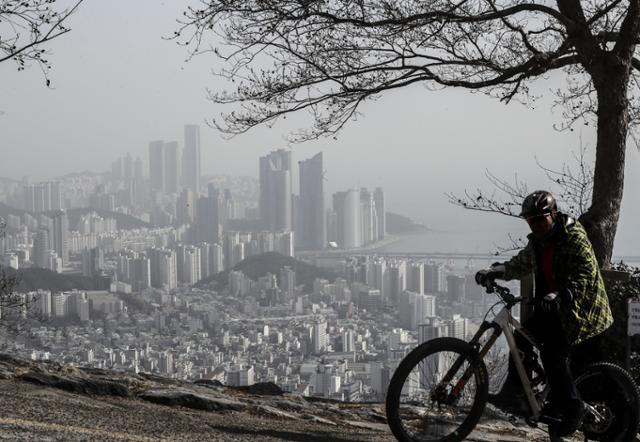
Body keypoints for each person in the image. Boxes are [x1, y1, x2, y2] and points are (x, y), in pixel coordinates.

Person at [475, 190, 613, 437]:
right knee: (521, 339)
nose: (535, 225)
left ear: (554, 214)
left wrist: (561, 293)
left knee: (552, 355)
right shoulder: (539, 240)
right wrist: (497, 271)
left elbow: (586, 275)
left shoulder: (574, 237)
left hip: (581, 310)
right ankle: (514, 395)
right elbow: (523, 262)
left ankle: (574, 407)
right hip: (553, 307)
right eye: (531, 220)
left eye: (540, 219)